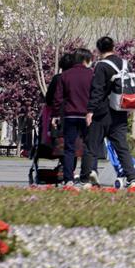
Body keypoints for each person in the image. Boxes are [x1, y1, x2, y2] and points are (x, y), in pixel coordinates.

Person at [80, 36, 135, 190]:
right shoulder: (126, 64)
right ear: (114, 47)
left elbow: (97, 90)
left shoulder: (101, 66)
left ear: (98, 49)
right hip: (120, 111)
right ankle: (132, 179)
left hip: (102, 112)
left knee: (91, 145)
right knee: (121, 147)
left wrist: (90, 111)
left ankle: (87, 178)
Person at [51, 48, 94, 187]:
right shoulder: (91, 75)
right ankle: (85, 177)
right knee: (88, 146)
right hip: (87, 115)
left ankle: (68, 179)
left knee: (69, 148)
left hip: (70, 115)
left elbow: (57, 98)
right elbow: (96, 95)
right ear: (85, 60)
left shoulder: (65, 75)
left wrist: (56, 115)